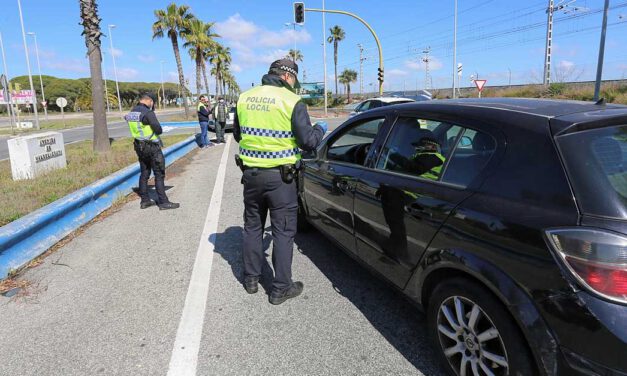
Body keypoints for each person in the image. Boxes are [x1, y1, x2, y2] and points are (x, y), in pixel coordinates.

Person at [234, 59, 327, 305]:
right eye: (295, 79)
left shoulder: (245, 97)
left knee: (253, 227)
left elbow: (237, 134)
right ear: (288, 76)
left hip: (251, 176)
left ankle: (251, 279)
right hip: (280, 180)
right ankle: (281, 288)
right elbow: (308, 142)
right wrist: (320, 129)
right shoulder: (291, 101)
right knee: (283, 232)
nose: (294, 84)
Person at [125, 94, 180, 210]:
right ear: (148, 101)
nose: (152, 105)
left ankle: (145, 201)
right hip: (152, 147)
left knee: (144, 174)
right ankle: (163, 202)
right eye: (152, 103)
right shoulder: (147, 113)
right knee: (159, 174)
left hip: (139, 147)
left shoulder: (131, 113)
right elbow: (158, 129)